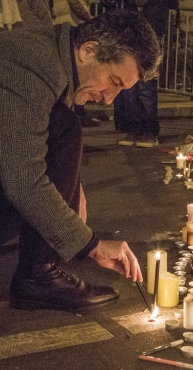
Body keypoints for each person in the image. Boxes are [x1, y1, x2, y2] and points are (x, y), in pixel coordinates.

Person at [0, 10, 161, 312]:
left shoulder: (54, 56)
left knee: (64, 127)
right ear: (89, 50)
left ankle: (40, 270)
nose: (109, 99)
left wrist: (73, 186)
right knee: (65, 127)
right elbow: (23, 178)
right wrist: (93, 246)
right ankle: (39, 275)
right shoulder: (32, 64)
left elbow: (29, 141)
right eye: (113, 81)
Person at [115, 0, 178, 148]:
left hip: (151, 26)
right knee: (130, 87)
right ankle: (134, 128)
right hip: (131, 28)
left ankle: (149, 130)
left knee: (145, 85)